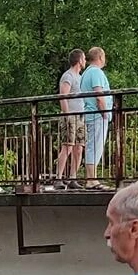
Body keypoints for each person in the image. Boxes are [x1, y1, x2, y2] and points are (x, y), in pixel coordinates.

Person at [79, 47, 114, 188]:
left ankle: (91, 178)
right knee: (95, 146)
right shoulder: (96, 72)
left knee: (92, 146)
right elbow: (99, 94)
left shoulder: (86, 73)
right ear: (100, 57)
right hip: (97, 114)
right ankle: (91, 179)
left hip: (89, 113)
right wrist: (104, 111)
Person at [52, 49, 87, 188]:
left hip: (80, 116)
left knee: (79, 148)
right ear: (79, 60)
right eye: (84, 58)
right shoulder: (68, 76)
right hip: (70, 115)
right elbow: (63, 96)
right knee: (67, 146)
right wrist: (66, 115)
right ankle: (58, 178)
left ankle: (73, 178)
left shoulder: (80, 77)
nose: (85, 61)